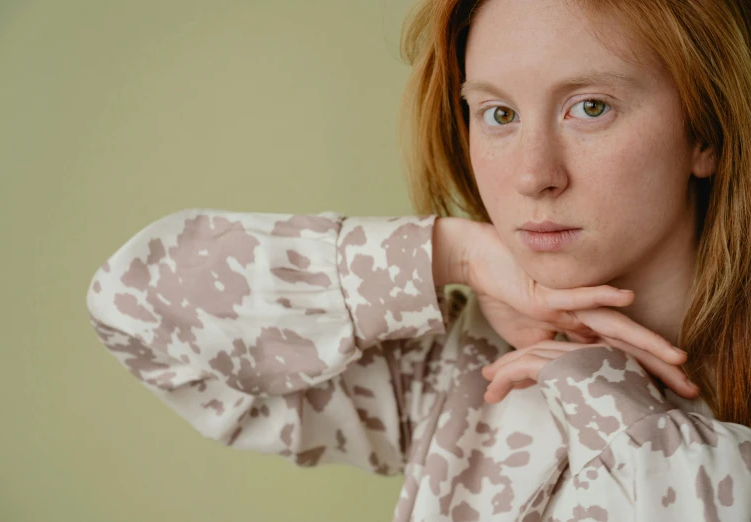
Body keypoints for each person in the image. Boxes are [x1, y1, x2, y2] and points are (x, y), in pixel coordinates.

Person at [85, 0, 751, 519]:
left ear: (706, 132)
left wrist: (605, 398)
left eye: (591, 107)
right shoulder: (458, 370)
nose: (532, 176)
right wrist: (452, 254)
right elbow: (134, 305)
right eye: (498, 114)